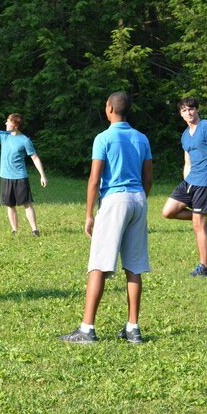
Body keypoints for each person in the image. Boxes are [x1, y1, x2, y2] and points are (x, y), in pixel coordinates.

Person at [60, 91, 152, 344]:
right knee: (134, 266)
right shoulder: (142, 138)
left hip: (114, 201)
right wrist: (140, 199)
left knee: (99, 265)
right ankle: (133, 328)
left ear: (110, 108)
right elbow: (148, 178)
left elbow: (94, 179)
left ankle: (87, 329)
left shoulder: (103, 138)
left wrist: (89, 214)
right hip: (138, 199)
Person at [161, 98, 207, 277]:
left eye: (191, 109)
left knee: (198, 225)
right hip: (190, 182)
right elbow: (187, 160)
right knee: (168, 211)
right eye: (184, 110)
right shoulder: (185, 135)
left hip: (206, 182)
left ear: (197, 109)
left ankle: (204, 268)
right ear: (180, 114)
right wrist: (186, 181)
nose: (188, 112)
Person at [0, 109, 48, 236]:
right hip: (6, 177)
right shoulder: (3, 135)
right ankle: (14, 230)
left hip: (20, 177)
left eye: (8, 122)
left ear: (15, 125)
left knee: (27, 204)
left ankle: (35, 230)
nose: (5, 123)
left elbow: (35, 158)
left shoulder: (25, 140)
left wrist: (42, 175)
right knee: (10, 205)